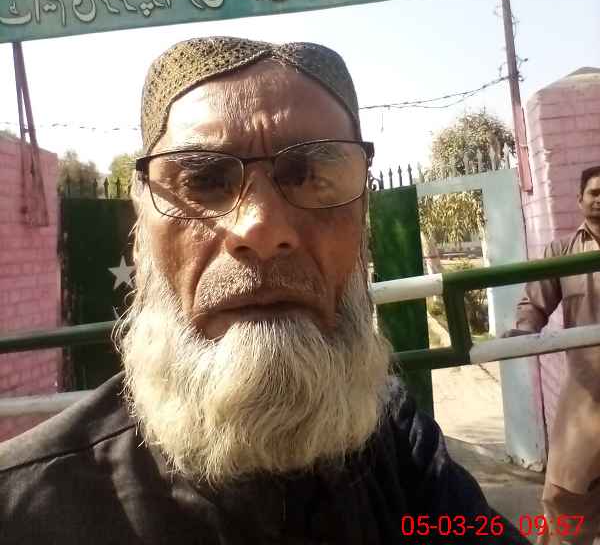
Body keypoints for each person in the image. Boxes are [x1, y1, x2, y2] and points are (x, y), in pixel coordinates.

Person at [0, 37, 528, 544]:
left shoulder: (401, 447)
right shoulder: (24, 508)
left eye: (311, 175)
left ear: (362, 222)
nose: (262, 228)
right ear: (141, 237)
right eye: (204, 180)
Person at [504, 165, 600, 544]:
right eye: (594, 193)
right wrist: (523, 331)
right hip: (587, 392)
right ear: (579, 200)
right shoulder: (562, 253)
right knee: (564, 493)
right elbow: (535, 302)